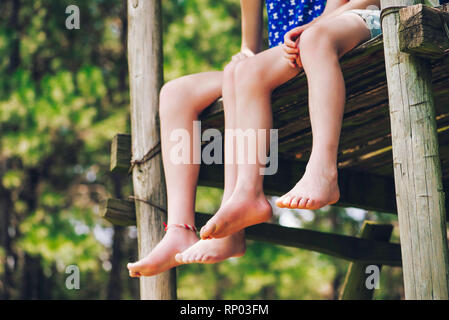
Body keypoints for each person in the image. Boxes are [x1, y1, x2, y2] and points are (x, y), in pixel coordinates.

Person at [127, 0, 327, 277]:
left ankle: (239, 213)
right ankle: (179, 229)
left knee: (242, 73)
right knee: (175, 94)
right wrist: (245, 54)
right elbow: (250, 46)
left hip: (315, 50)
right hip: (271, 63)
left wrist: (306, 35)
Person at [187, 0, 382, 246]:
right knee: (245, 70)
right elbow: (250, 46)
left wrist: (316, 25)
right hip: (317, 33)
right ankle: (247, 193)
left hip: (370, 15)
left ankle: (324, 171)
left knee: (314, 38)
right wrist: (247, 51)